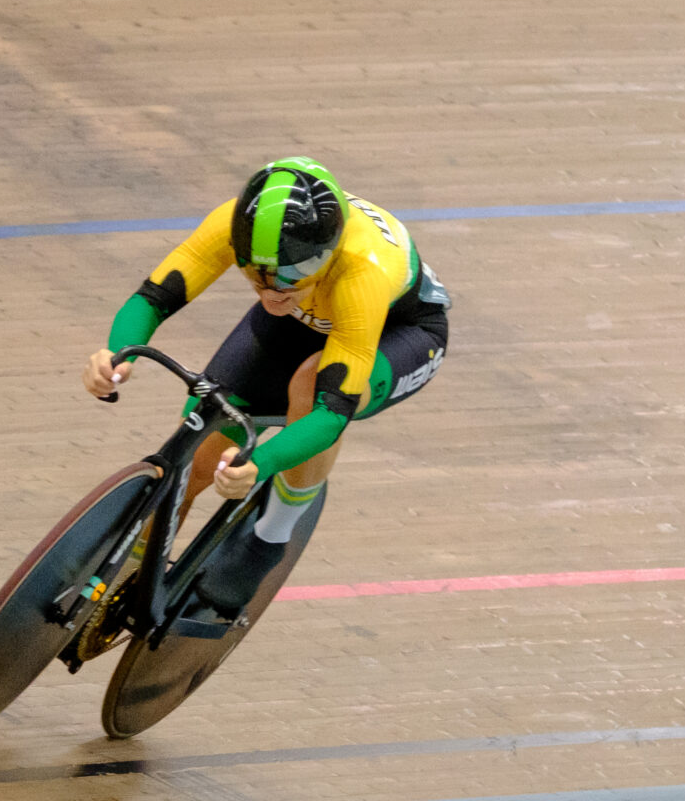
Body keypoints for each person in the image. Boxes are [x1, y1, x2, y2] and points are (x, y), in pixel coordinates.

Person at [82, 157, 450, 615]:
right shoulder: (236, 228)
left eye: (292, 274)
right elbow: (154, 297)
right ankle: (122, 585)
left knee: (314, 385)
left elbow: (331, 414)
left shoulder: (362, 271)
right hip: (302, 318)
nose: (273, 289)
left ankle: (271, 536)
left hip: (399, 334)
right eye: (257, 275)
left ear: (328, 252)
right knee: (193, 458)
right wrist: (117, 357)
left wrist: (262, 462)